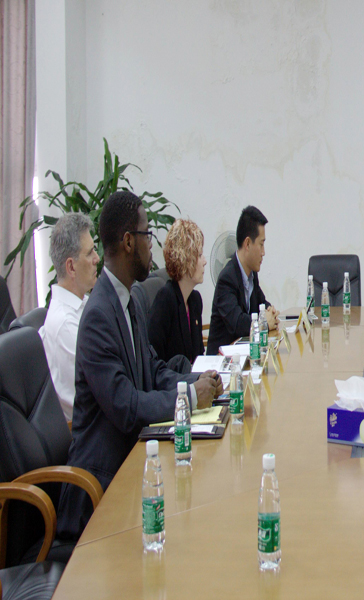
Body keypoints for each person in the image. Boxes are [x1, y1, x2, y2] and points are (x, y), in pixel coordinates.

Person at [57, 191, 222, 540]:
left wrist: (200, 380)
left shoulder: (128, 299)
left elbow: (153, 370)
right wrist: (191, 397)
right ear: (129, 242)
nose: (152, 246)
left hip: (134, 464)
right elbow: (127, 406)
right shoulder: (99, 316)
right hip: (100, 488)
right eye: (148, 235)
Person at [39, 213, 100, 422]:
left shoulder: (84, 304)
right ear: (71, 267)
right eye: (90, 252)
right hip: (89, 431)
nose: (97, 258)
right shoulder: (65, 324)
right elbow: (99, 392)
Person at [207, 206, 279, 355]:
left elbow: (261, 304)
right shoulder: (227, 279)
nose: (263, 252)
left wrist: (270, 311)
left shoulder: (252, 274)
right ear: (247, 244)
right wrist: (264, 322)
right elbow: (237, 324)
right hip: (222, 363)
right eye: (261, 244)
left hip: (245, 356)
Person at [148, 219, 207, 365]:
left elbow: (199, 356)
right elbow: (154, 362)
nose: (205, 261)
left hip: (194, 378)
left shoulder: (195, 300)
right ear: (186, 259)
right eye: (200, 255)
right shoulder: (165, 299)